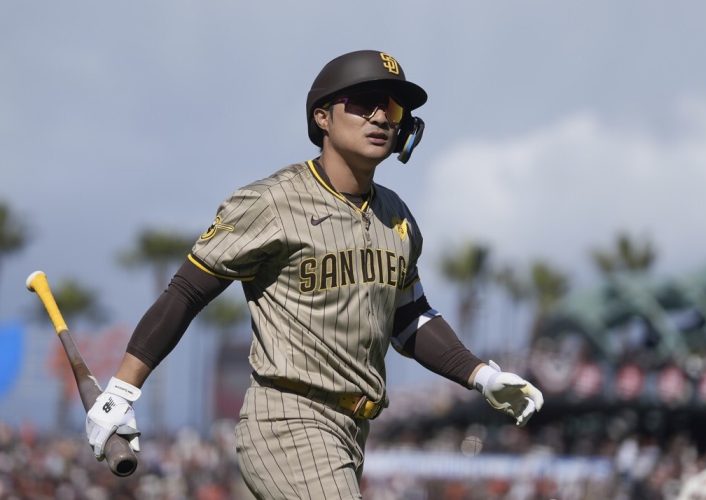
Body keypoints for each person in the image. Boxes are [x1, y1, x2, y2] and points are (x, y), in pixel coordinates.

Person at [85, 49, 544, 499]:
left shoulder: (396, 216)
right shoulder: (271, 202)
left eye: (392, 107)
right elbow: (187, 291)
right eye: (364, 103)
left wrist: (481, 375)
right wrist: (121, 391)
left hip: (352, 430)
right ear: (322, 117)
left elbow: (408, 318)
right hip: (287, 420)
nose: (381, 117)